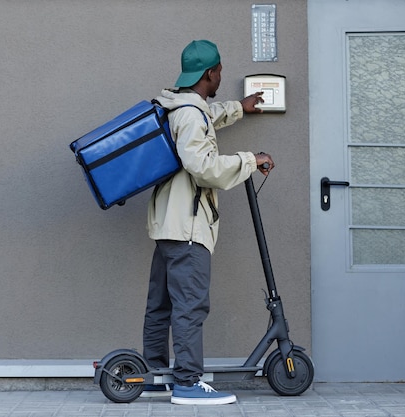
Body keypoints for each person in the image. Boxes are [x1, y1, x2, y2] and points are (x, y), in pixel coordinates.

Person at [140, 39, 275, 405]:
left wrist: (239, 109)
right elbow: (202, 168)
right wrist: (250, 159)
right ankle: (186, 382)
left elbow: (206, 117)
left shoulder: (178, 105)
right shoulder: (188, 114)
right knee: (189, 305)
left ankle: (155, 375)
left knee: (162, 304)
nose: (221, 77)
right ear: (209, 73)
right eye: (219, 71)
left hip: (169, 224)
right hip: (188, 227)